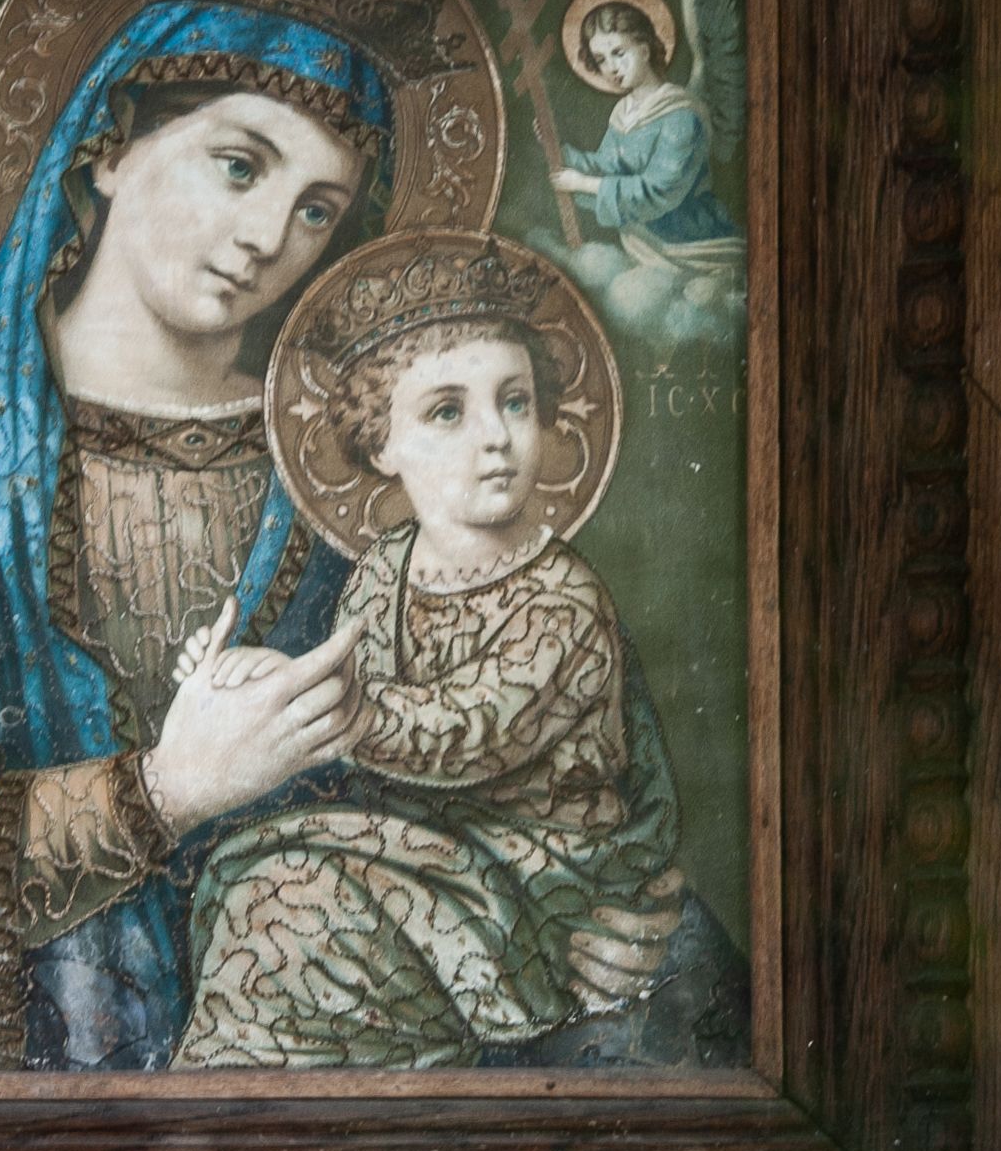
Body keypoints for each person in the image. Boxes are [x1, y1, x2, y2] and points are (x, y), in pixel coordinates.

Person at [0, 0, 396, 1073]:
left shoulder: (363, 480)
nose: (267, 238)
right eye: (239, 166)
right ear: (108, 148)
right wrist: (165, 792)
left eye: (315, 210)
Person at [173, 245, 687, 1069]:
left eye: (515, 402)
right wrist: (245, 679)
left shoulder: (564, 598)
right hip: (420, 854)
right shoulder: (386, 567)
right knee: (265, 896)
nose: (497, 437)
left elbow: (469, 730)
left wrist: (327, 701)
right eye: (448, 412)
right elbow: (357, 685)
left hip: (537, 885)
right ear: (382, 443)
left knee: (292, 908)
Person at [547, 0, 740, 254]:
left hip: (691, 243)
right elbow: (608, 167)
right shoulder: (623, 112)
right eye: (601, 60)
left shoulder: (681, 114)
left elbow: (660, 190)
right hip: (642, 243)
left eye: (619, 53)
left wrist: (584, 184)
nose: (611, 68)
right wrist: (557, 149)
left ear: (645, 50)